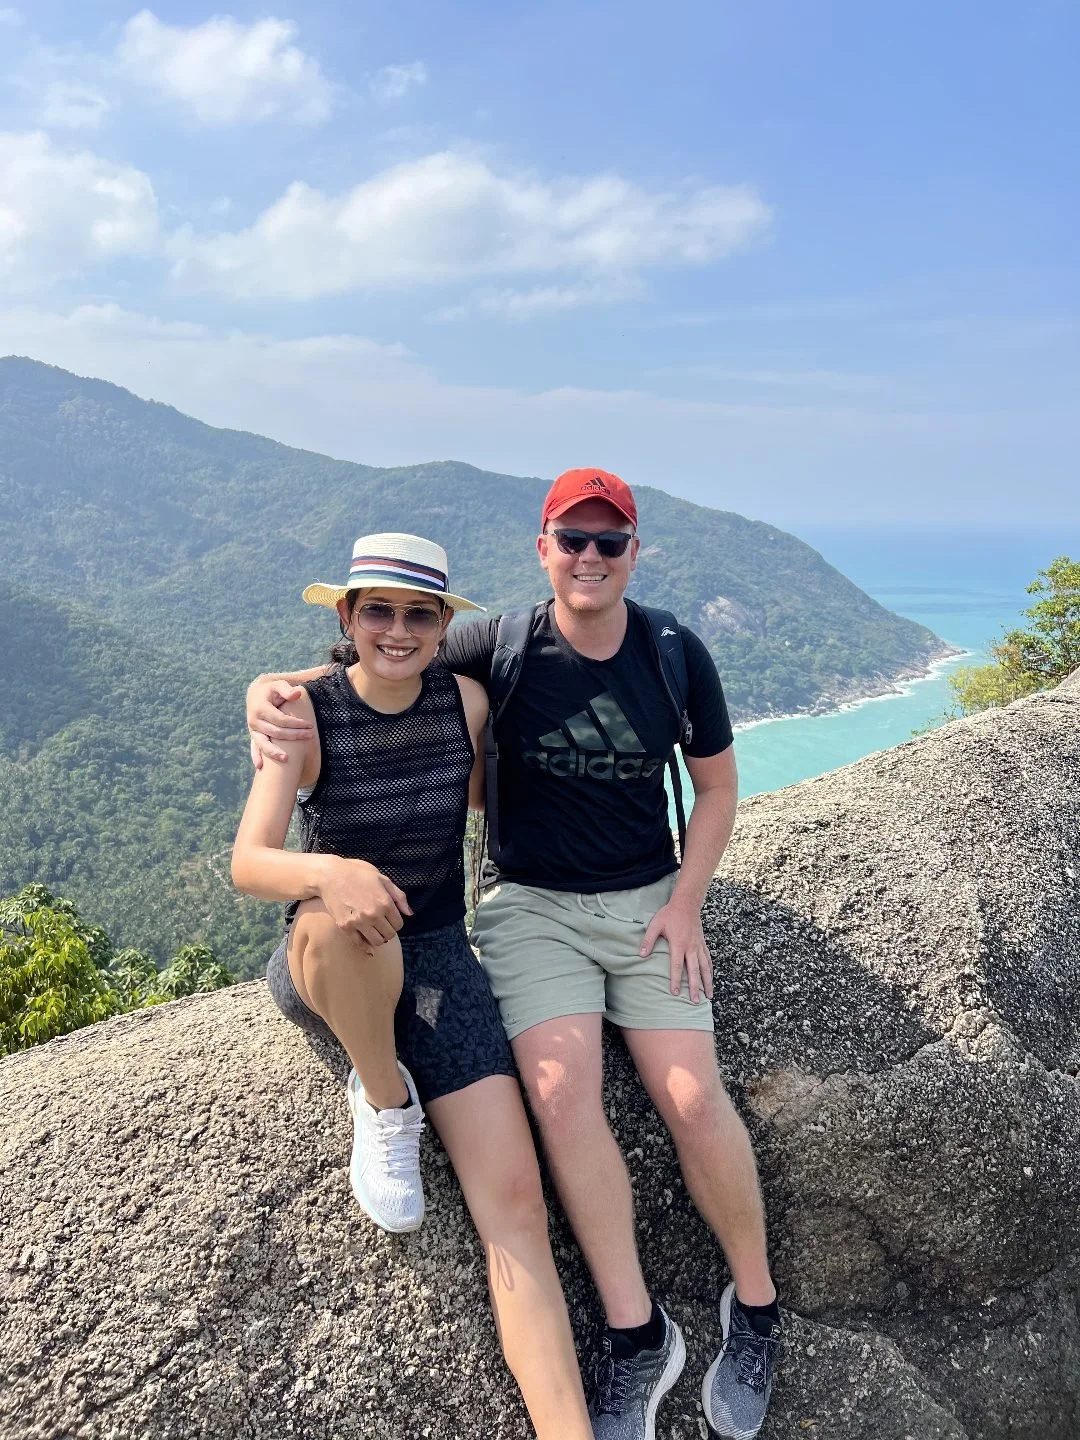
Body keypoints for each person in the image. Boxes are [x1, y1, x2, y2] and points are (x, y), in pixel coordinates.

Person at [248, 475, 783, 1440]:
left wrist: (690, 905)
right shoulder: (494, 645)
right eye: (571, 540)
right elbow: (362, 675)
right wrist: (267, 694)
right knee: (558, 1094)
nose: (589, 557)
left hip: (605, 911)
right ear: (543, 547)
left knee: (664, 1116)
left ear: (633, 551)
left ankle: (750, 1312)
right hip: (519, 911)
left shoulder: (648, 656)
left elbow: (714, 787)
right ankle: (629, 1329)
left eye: (607, 542)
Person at [232, 532, 593, 1440]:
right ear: (347, 618)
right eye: (377, 610)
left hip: (438, 957)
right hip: (332, 954)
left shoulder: (464, 702)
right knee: (346, 920)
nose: (397, 630)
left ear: (442, 624)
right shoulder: (304, 716)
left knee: (514, 1205)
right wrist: (331, 872)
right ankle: (384, 1096)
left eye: (418, 613)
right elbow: (248, 860)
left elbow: (494, 786)